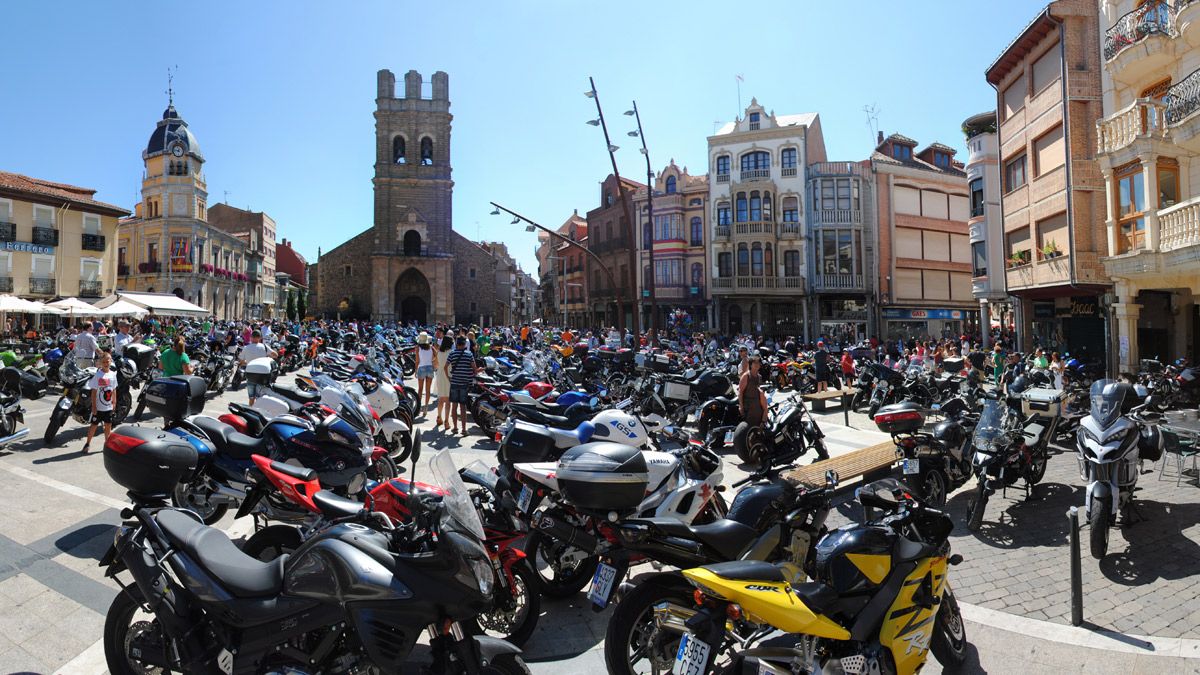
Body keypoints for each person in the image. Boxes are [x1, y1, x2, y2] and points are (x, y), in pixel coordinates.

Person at [82, 350, 118, 452]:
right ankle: (87, 443)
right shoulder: (98, 375)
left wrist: (114, 402)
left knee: (108, 426)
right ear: (101, 363)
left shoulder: (113, 375)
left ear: (111, 361)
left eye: (108, 361)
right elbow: (93, 392)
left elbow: (114, 389)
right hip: (98, 408)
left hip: (108, 407)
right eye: (104, 362)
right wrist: (94, 406)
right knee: (93, 425)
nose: (106, 364)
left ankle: (107, 443)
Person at [444, 335, 478, 435]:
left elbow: (445, 367)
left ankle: (455, 428)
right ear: (464, 344)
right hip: (465, 384)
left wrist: (448, 378)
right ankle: (464, 429)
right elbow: (474, 368)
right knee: (462, 407)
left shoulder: (452, 354)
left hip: (454, 382)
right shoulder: (469, 354)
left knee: (454, 406)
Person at [239, 330, 277, 405]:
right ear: (259, 338)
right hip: (263, 375)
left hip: (250, 374)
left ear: (251, 337)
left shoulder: (246, 348)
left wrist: (248, 362)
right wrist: (267, 357)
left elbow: (241, 361)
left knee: (251, 397)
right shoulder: (264, 346)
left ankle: (251, 410)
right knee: (261, 397)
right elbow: (275, 355)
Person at [738, 355, 768, 429]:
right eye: (755, 363)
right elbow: (740, 392)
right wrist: (741, 407)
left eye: (758, 363)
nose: (758, 365)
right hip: (748, 407)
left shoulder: (759, 377)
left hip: (758, 407)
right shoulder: (746, 376)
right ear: (751, 364)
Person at [434, 333, 453, 427]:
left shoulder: (438, 352)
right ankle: (446, 421)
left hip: (440, 375)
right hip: (449, 375)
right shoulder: (452, 352)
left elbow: (436, 364)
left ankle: (439, 417)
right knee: (448, 400)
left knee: (441, 399)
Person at [414, 331, 436, 412]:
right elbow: (436, 356)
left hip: (421, 368)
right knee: (428, 390)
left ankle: (419, 406)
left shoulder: (417, 348)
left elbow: (417, 361)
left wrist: (415, 370)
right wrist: (432, 361)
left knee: (420, 389)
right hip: (430, 368)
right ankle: (426, 406)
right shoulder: (431, 347)